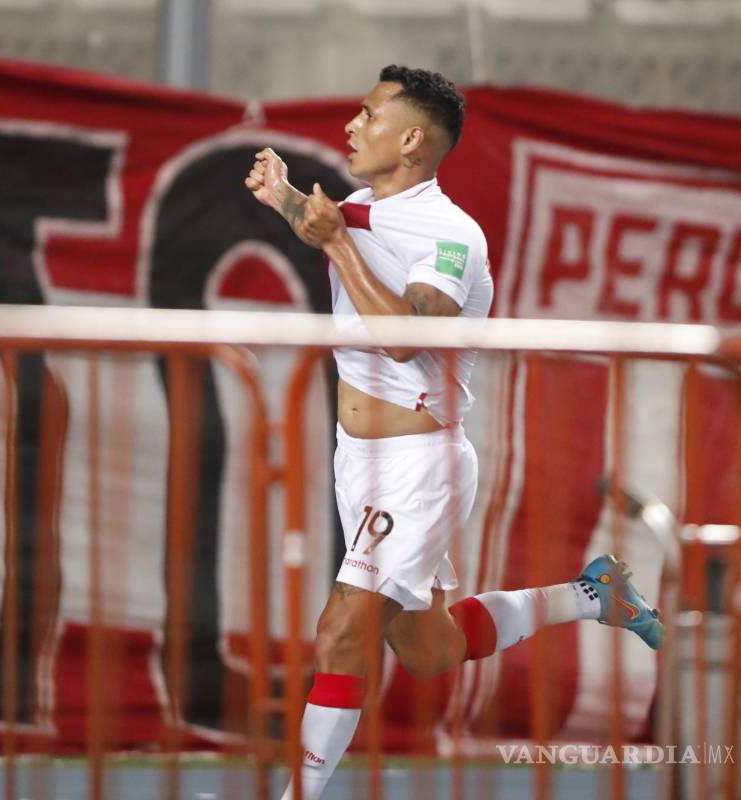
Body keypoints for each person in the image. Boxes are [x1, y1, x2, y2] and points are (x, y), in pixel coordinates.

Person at [244, 65, 663, 800]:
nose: (350, 126)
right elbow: (331, 226)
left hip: (418, 464)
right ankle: (592, 595)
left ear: (411, 139)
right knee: (427, 649)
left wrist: (335, 245)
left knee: (341, 630)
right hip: (359, 462)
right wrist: (284, 198)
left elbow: (407, 338)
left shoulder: (451, 236)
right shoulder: (364, 209)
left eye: (368, 114)